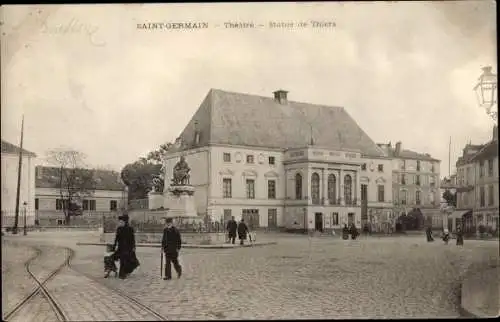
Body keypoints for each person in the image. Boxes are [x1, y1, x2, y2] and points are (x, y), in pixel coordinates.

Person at [113, 214, 138, 279]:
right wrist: (114, 245)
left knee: (129, 260)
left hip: (128, 247)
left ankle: (125, 272)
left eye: (122, 222)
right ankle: (122, 274)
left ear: (125, 222)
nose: (120, 223)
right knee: (122, 260)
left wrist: (134, 247)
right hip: (121, 247)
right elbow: (116, 238)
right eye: (120, 222)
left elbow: (133, 239)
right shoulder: (119, 229)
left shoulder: (130, 229)